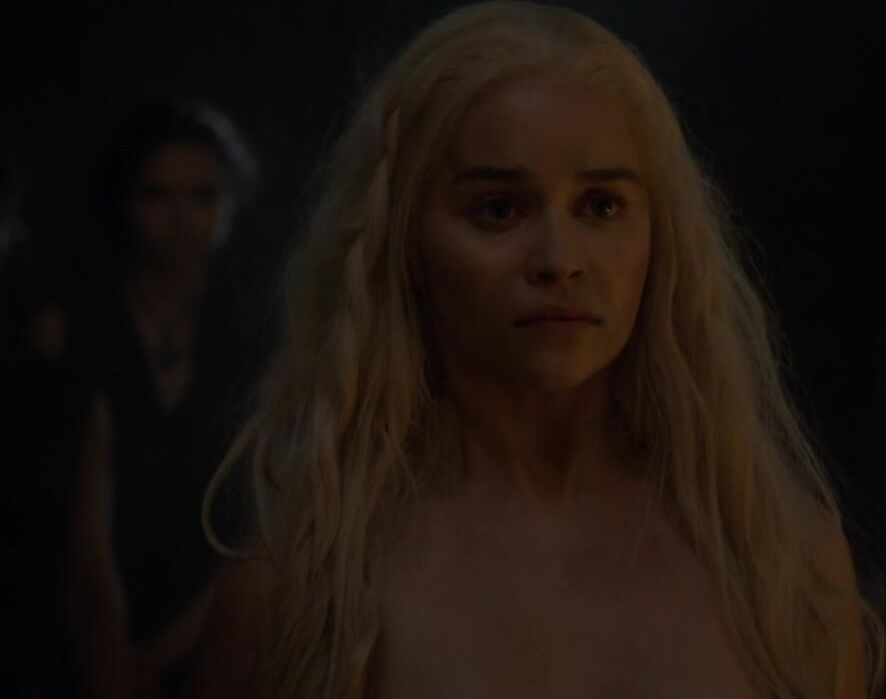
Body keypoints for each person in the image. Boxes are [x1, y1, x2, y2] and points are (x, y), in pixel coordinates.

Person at [196, 2, 884, 697]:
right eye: (499, 209)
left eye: (601, 206)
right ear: (401, 243)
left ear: (663, 235)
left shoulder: (779, 561)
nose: (559, 260)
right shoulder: (309, 588)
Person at [64, 99, 262, 697]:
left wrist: (157, 661)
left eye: (203, 195)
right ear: (125, 202)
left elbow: (265, 529)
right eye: (158, 195)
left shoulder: (260, 342)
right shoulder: (74, 334)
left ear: (232, 201)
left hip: (225, 638)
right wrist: (114, 668)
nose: (182, 218)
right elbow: (79, 544)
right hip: (75, 640)